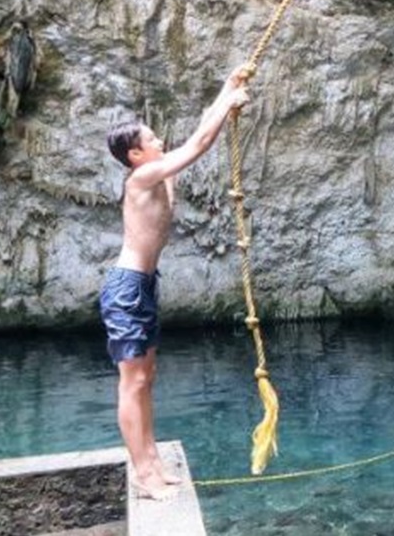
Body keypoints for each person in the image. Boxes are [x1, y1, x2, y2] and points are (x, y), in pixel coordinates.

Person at [101, 64, 251, 500]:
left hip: (143, 286)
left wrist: (228, 87)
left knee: (147, 375)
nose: (159, 142)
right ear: (135, 155)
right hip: (126, 288)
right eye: (151, 140)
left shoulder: (159, 170)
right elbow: (200, 143)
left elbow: (201, 129)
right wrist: (227, 105)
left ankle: (150, 462)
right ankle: (144, 474)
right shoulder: (143, 177)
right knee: (133, 381)